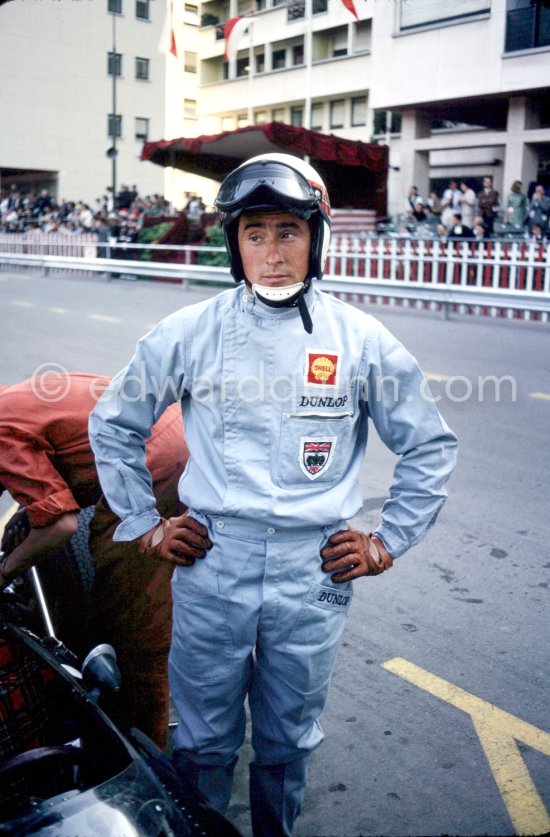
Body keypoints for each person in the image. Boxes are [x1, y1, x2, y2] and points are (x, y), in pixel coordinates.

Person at [89, 153, 458, 837]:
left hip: (310, 572)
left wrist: (386, 541)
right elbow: (113, 423)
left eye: (289, 230)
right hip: (212, 563)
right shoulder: (190, 332)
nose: (272, 253)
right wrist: (145, 524)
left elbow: (429, 444)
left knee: (287, 748)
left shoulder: (359, 340)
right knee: (201, 745)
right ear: (235, 243)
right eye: (254, 233)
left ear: (317, 238)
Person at [0, 373, 188, 748]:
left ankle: (143, 747)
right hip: (172, 427)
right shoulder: (11, 401)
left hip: (150, 458)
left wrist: (5, 570)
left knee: (129, 613)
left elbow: (61, 525)